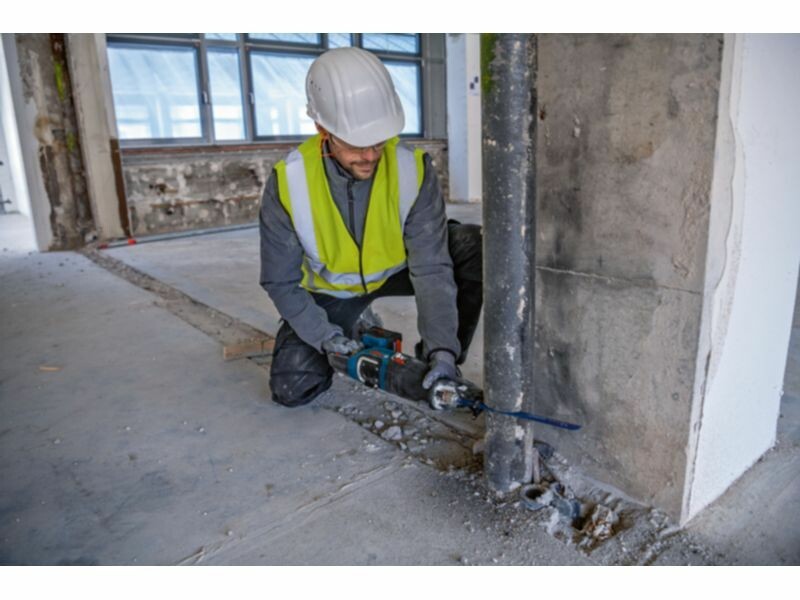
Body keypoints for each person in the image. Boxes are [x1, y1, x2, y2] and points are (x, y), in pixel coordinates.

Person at [259, 47, 482, 407]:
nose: (370, 155)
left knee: (473, 247)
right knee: (292, 388)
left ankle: (438, 363)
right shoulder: (289, 182)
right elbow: (279, 282)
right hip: (333, 292)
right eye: (356, 144)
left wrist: (442, 350)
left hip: (396, 272)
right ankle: (355, 319)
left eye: (378, 141)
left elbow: (431, 268)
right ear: (322, 128)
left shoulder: (412, 170)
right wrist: (326, 337)